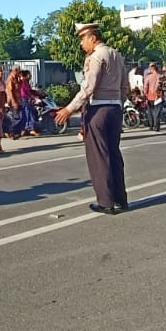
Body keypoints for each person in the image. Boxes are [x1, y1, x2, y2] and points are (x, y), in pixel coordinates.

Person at [55, 24, 127, 214]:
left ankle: (106, 202)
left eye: (83, 39)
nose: (81, 44)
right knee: (114, 154)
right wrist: (119, 104)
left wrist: (69, 109)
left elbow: (89, 87)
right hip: (115, 109)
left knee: (99, 157)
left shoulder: (95, 56)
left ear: (93, 38)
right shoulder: (117, 56)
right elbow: (124, 86)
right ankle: (121, 199)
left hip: (98, 110)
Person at [143, 63, 162, 131]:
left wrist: (145, 94)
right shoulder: (159, 76)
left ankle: (151, 126)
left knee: (150, 111)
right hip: (158, 96)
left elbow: (145, 86)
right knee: (157, 112)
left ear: (151, 68)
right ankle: (156, 126)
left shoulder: (148, 77)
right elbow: (159, 85)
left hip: (149, 95)